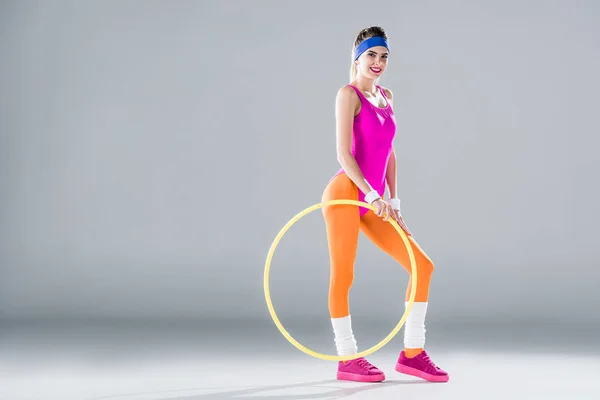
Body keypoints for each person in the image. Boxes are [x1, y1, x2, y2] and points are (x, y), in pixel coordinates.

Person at [321, 26, 449, 383]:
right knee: (344, 274)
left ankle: (412, 353)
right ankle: (347, 357)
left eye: (384, 56)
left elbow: (388, 152)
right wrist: (371, 194)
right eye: (371, 55)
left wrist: (393, 199)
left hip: (376, 198)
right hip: (347, 193)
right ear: (357, 57)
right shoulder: (348, 96)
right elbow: (344, 155)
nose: (378, 63)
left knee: (422, 266)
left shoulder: (386, 96)